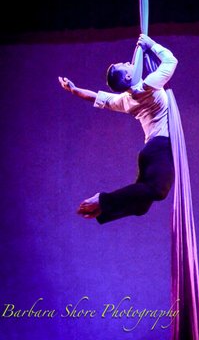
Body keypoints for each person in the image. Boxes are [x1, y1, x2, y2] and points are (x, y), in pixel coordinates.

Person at [58, 34, 178, 224]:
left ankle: (104, 210)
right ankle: (103, 200)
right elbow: (171, 60)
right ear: (129, 76)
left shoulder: (125, 100)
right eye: (126, 64)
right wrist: (151, 44)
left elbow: (97, 98)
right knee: (157, 190)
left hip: (150, 150)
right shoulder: (150, 85)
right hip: (159, 146)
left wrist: (74, 90)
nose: (130, 62)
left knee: (141, 206)